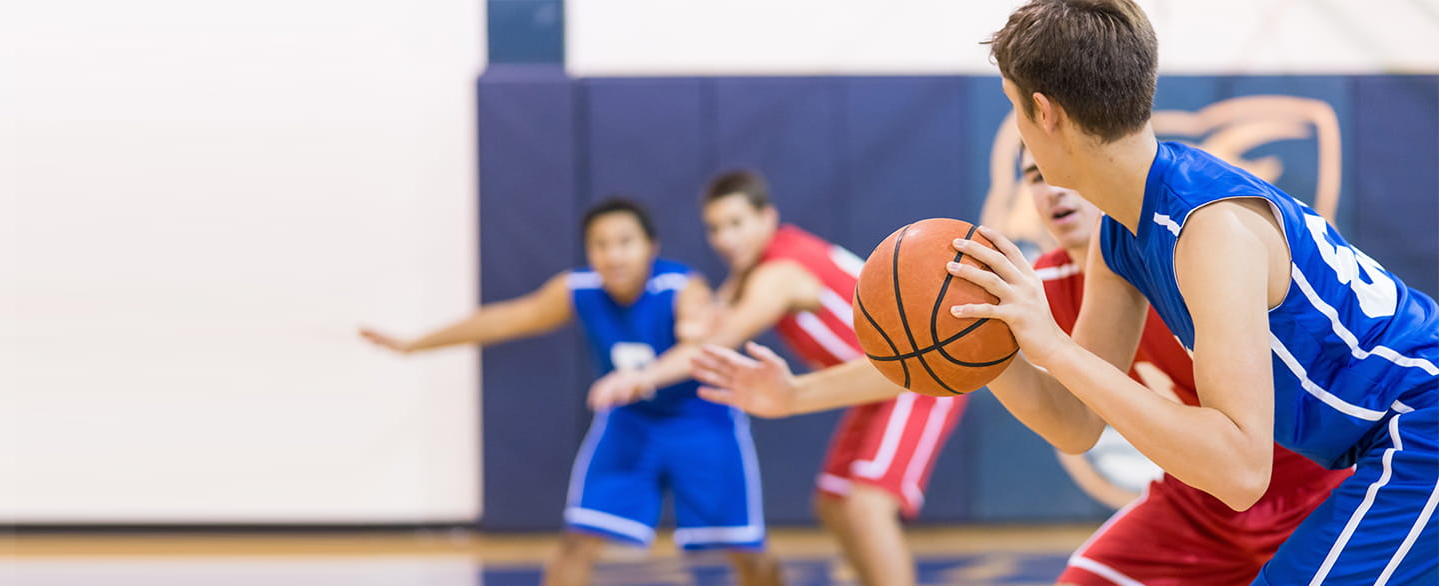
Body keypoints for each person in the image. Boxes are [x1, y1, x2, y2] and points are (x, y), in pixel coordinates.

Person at [694, 143, 1358, 584]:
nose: (1051, 189)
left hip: (1310, 487)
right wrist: (792, 395)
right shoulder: (1030, 284)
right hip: (1201, 502)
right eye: (1034, 176)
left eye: (1061, 171)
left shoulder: (1182, 250)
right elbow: (918, 361)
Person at [971, 1, 1435, 583]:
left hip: (1421, 422)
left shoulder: (1207, 228)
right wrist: (975, 344)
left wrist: (1055, 349)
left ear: (1044, 113)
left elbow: (1239, 471)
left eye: (1013, 107)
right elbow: (1077, 421)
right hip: (1383, 439)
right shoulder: (1126, 223)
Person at [360, 198, 783, 586]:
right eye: (599, 244)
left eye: (624, 242)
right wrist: (414, 344)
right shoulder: (579, 290)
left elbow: (698, 346)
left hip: (701, 423)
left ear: (651, 246)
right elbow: (505, 319)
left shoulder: (682, 288)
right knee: (578, 540)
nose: (612, 255)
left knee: (747, 549)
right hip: (630, 422)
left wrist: (647, 374)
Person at [591, 171, 965, 586]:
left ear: (767, 219)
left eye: (737, 224)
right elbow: (710, 314)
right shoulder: (756, 269)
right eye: (715, 228)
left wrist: (642, 377)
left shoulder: (780, 273)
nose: (725, 238)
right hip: (873, 385)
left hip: (918, 376)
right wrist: (695, 316)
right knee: (833, 504)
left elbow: (718, 337)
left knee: (866, 505)